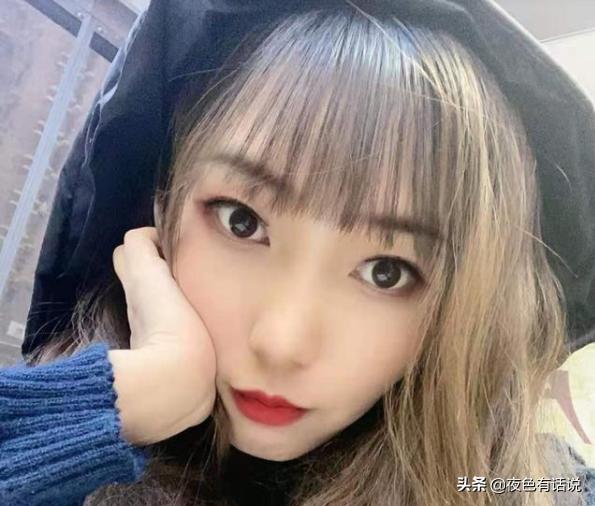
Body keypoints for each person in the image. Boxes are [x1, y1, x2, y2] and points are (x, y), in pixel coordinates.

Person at [4, 1, 595, 505]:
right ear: (161, 205)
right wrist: (119, 404)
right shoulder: (66, 437)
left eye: (386, 272)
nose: (282, 343)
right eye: (241, 222)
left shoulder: (528, 485)